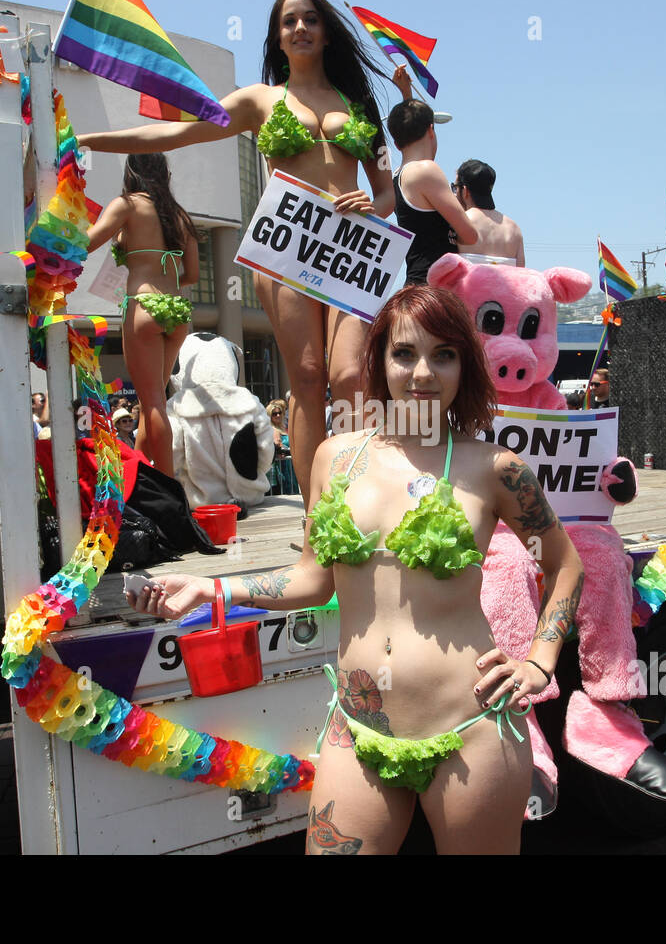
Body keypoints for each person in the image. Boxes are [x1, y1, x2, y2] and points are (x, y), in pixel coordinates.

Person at [130, 285, 585, 854]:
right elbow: (311, 579)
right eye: (404, 353)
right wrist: (209, 588)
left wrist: (540, 662)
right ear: (378, 361)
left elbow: (564, 565)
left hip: (474, 729)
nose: (423, 372)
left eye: (444, 354)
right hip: (358, 729)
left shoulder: (493, 468)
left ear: (464, 365)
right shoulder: (335, 457)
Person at [79, 0, 393, 510]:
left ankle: (358, 498)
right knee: (309, 377)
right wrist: (94, 140)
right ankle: (319, 518)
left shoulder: (358, 102)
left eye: (310, 19)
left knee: (351, 375)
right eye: (289, 21)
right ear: (277, 36)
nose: (300, 28)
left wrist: (376, 203)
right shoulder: (258, 100)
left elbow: (387, 188)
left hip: (350, 251)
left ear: (326, 30)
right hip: (287, 250)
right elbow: (180, 133)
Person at [87, 154, 199, 474]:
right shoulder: (178, 215)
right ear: (165, 172)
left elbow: (86, 244)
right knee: (155, 403)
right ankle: (140, 469)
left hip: (143, 303)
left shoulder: (127, 205)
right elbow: (191, 274)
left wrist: (52, 235)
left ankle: (166, 487)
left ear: (131, 171)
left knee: (152, 404)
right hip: (176, 310)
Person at [387, 74, 478, 284]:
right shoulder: (427, 171)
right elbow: (470, 235)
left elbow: (408, 121)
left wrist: (406, 94)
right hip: (437, 290)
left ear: (397, 143)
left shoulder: (397, 176)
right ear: (431, 130)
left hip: (416, 284)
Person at [453, 159, 525, 267]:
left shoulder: (460, 221)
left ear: (465, 190)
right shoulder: (514, 229)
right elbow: (521, 275)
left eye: (454, 188)